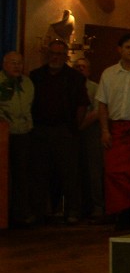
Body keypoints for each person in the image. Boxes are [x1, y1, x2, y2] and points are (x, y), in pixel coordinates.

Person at [29, 39, 90, 225]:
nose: (55, 57)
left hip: (65, 130)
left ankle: (73, 211)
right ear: (47, 55)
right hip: (40, 130)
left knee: (69, 174)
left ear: (65, 56)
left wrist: (73, 128)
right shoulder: (35, 76)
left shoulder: (75, 78)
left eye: (59, 54)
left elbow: (82, 105)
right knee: (39, 173)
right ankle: (38, 212)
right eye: (52, 53)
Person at [96, 33, 130, 230]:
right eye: (128, 47)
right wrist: (105, 130)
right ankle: (118, 211)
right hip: (116, 128)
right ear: (119, 50)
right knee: (113, 172)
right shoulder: (109, 74)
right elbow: (102, 104)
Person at [0, 51, 36, 227]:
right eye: (13, 63)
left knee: (22, 175)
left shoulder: (27, 83)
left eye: (19, 63)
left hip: (23, 134)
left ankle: (20, 214)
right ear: (4, 64)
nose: (16, 66)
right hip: (3, 136)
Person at [74, 57, 104, 222]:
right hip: (72, 135)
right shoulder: (69, 86)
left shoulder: (95, 88)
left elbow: (98, 111)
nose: (80, 69)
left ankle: (97, 206)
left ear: (89, 70)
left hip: (91, 132)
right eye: (77, 66)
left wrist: (80, 125)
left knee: (93, 170)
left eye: (83, 67)